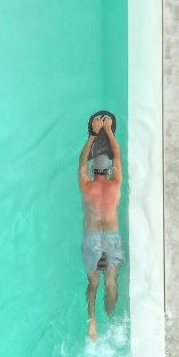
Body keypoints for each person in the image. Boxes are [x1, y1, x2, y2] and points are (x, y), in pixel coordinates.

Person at [78, 111, 124, 340]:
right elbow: (118, 156)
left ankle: (92, 325)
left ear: (93, 170)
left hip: (92, 236)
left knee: (93, 282)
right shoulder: (115, 183)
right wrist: (108, 131)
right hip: (112, 237)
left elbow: (81, 163)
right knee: (111, 282)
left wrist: (93, 135)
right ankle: (113, 323)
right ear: (108, 171)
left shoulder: (86, 186)